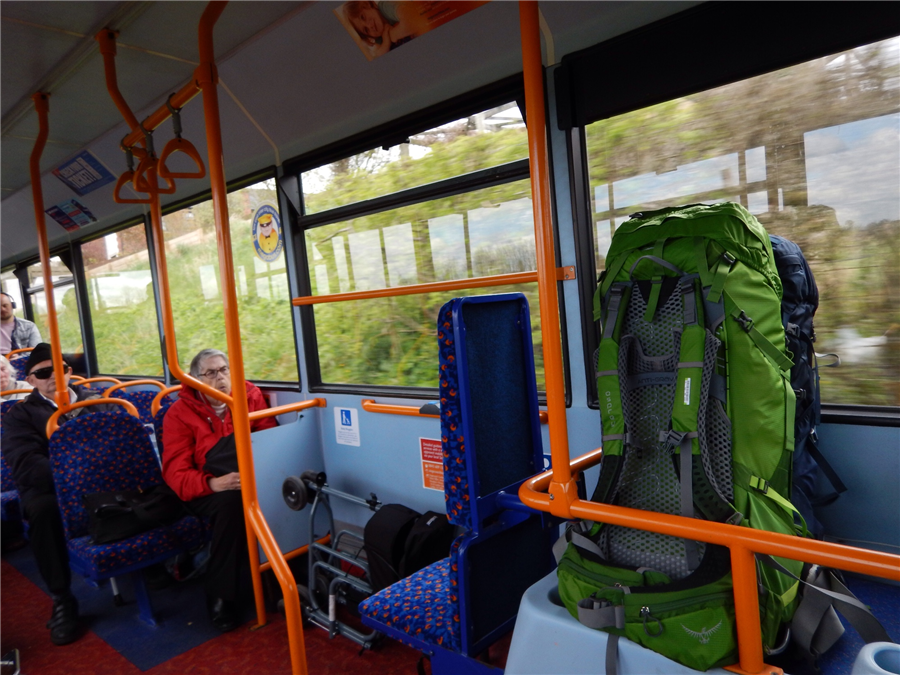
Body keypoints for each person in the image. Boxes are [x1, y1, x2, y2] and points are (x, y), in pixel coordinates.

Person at [0, 343, 116, 645]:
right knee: (42, 511)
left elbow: (119, 443)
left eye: (60, 369)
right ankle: (62, 597)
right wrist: (77, 475)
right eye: (43, 373)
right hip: (52, 487)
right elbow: (27, 464)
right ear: (31, 380)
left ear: (70, 371)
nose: (54, 376)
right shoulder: (20, 416)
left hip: (103, 479)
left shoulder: (96, 401)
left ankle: (155, 564)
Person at [161, 349, 276, 632]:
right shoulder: (179, 414)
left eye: (224, 370)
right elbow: (176, 473)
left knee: (280, 491)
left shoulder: (249, 396)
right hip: (204, 487)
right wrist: (213, 483)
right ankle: (221, 593)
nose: (220, 378)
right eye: (211, 373)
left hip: (248, 476)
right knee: (232, 503)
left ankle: (281, 579)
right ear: (196, 380)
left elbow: (269, 437)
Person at [344, 0, 416, 57]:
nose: (369, 26)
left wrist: (392, 35)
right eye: (366, 30)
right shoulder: (380, 36)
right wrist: (386, 41)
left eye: (363, 17)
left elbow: (413, 20)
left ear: (366, 5)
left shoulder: (385, 6)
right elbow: (378, 54)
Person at [0, 291, 42, 356]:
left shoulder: (29, 326)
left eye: (5, 306)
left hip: (21, 360)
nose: (2, 309)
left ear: (12, 305)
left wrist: (20, 357)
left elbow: (38, 351)